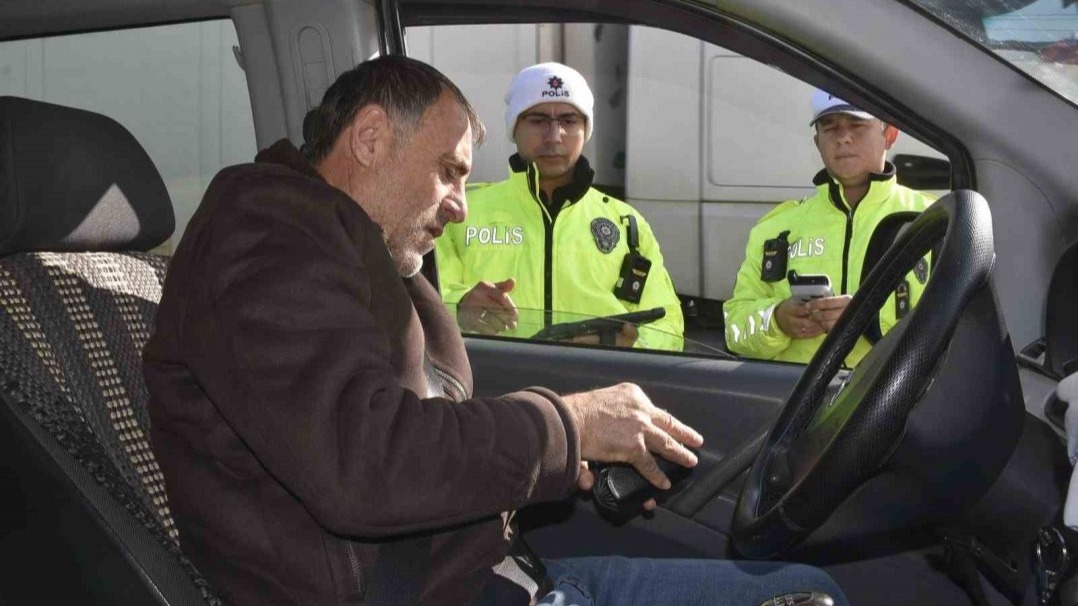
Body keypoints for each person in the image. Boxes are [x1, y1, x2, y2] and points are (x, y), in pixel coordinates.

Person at [144, 55, 848, 606]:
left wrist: (538, 460)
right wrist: (565, 426)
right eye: (449, 173)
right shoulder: (266, 234)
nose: (458, 206)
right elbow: (364, 463)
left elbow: (408, 426)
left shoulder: (358, 250)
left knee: (803, 588)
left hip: (496, 579)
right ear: (369, 138)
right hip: (426, 594)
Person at [435, 62, 684, 351]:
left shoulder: (626, 223)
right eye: (538, 120)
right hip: (493, 384)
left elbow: (669, 326)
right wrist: (460, 306)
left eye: (568, 120)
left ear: (585, 129)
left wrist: (629, 345)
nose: (554, 136)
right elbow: (418, 301)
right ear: (514, 128)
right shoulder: (461, 213)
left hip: (597, 388)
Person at [723, 89, 936, 366]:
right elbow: (734, 331)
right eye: (830, 127)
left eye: (857, 125)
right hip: (800, 400)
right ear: (817, 143)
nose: (843, 137)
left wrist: (864, 317)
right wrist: (776, 320)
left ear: (890, 135)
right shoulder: (775, 229)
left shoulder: (930, 219)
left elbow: (951, 324)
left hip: (892, 397)